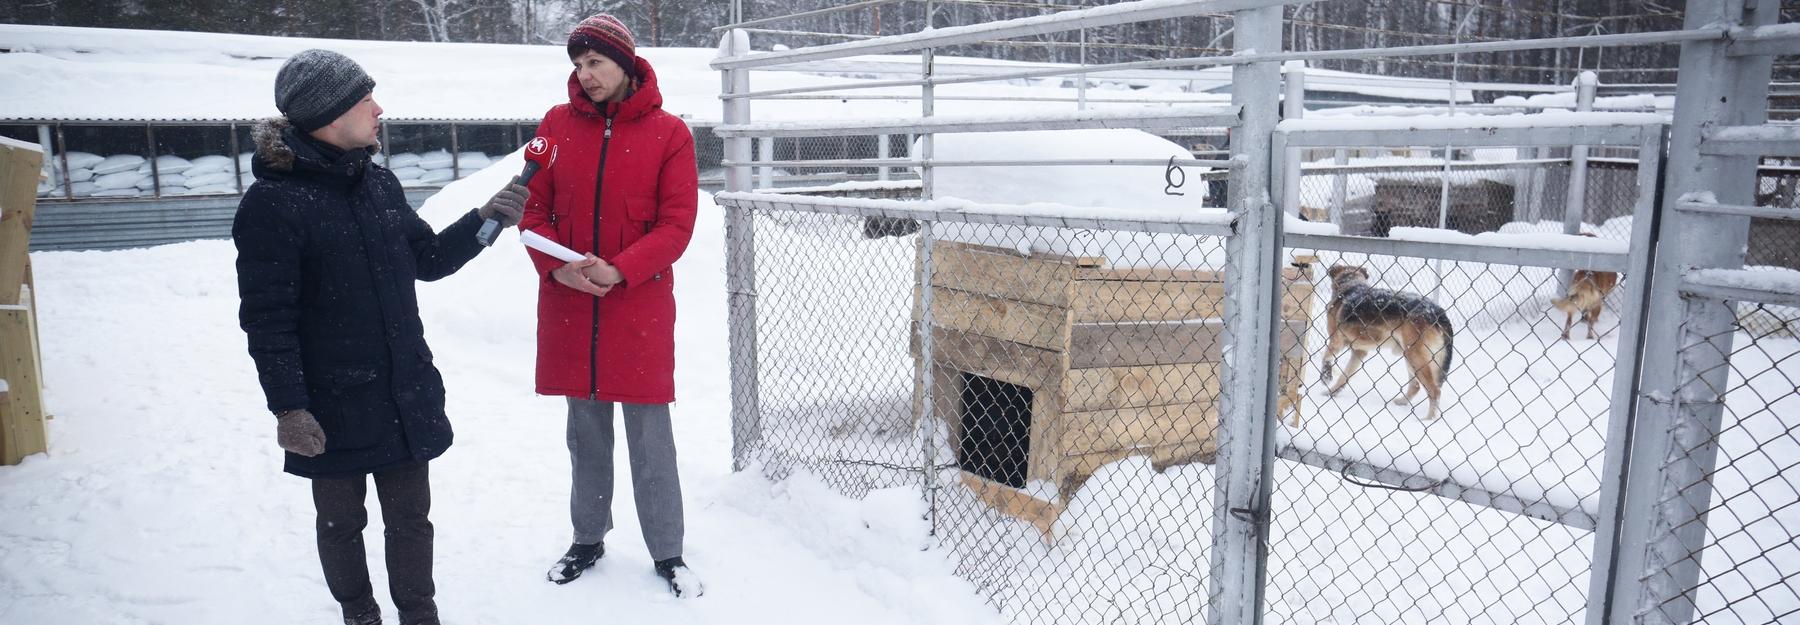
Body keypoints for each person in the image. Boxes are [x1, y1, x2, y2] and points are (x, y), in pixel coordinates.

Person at [232, 48, 528, 625]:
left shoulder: (378, 185)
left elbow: (430, 258)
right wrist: (289, 406)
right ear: (329, 113)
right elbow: (267, 319)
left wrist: (487, 218)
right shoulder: (272, 205)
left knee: (412, 518)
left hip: (402, 390)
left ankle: (420, 614)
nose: (380, 109)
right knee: (342, 523)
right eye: (367, 99)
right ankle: (359, 614)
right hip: (330, 400)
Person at [517, 14, 701, 597]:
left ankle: (668, 552)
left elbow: (677, 225)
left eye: (594, 62)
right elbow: (531, 212)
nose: (585, 74)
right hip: (573, 308)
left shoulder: (671, 135)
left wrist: (620, 268)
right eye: (577, 65)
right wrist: (559, 268)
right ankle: (587, 538)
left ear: (624, 63)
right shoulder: (554, 127)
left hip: (637, 312)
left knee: (651, 439)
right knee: (585, 435)